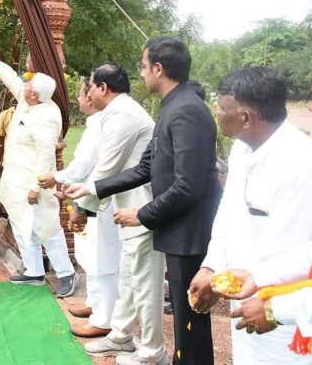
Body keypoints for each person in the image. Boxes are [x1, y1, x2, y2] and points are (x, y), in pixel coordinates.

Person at [65, 37, 221, 365]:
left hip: (188, 232)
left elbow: (189, 186)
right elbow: (147, 167)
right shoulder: (172, 106)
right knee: (183, 316)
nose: (142, 72)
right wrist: (95, 188)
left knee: (190, 322)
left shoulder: (186, 111)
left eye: (143, 65)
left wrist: (143, 214)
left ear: (158, 68)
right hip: (175, 227)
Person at [188, 67, 312, 365]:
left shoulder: (305, 164)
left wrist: (266, 296)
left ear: (245, 118)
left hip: (286, 312)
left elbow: (306, 251)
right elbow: (228, 215)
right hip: (248, 301)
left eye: (222, 107)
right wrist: (212, 267)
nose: (216, 111)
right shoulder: (242, 150)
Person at [0, 42, 77, 297]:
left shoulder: (47, 117)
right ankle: (33, 272)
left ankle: (67, 274)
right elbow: (9, 76)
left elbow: (46, 160)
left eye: (29, 86)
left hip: (35, 184)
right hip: (14, 180)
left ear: (36, 95)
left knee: (47, 229)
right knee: (21, 226)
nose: (25, 86)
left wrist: (35, 187)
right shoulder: (26, 98)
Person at [38, 77, 121, 338]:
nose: (79, 99)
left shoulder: (102, 124)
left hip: (102, 200)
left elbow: (86, 165)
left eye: (81, 94)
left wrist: (57, 177)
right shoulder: (95, 122)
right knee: (89, 253)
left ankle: (104, 318)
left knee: (103, 258)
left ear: (95, 96)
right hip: (87, 196)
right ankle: (95, 304)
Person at [0, 101, 16, 218]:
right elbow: (0, 139)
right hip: (9, 160)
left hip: (27, 162)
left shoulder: (35, 113)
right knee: (8, 187)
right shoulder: (6, 115)